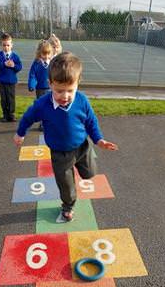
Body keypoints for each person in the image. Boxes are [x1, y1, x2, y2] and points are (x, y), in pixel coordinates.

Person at [14, 52, 118, 223]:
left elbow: (91, 120)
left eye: (70, 90)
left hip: (82, 147)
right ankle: (68, 207)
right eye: (59, 90)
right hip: (60, 153)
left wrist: (99, 139)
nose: (65, 96)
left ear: (78, 84)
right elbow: (27, 118)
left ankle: (83, 167)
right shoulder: (42, 104)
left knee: (90, 174)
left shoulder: (82, 100)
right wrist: (20, 133)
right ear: (50, 84)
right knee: (67, 185)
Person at [0, 33, 22, 122]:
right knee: (4, 98)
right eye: (4, 45)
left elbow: (19, 67)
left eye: (8, 45)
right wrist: (4, 64)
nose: (6, 47)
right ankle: (5, 114)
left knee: (11, 98)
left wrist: (13, 66)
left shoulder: (15, 56)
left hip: (12, 80)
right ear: (1, 45)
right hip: (2, 80)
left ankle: (11, 114)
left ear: (11, 45)